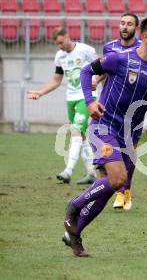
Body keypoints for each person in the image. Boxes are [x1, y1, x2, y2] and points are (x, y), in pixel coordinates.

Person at [62, 16, 147, 257]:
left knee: (108, 189)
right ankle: (74, 206)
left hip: (130, 137)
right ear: (146, 36)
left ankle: (74, 234)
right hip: (104, 127)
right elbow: (87, 72)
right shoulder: (119, 58)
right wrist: (89, 102)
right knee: (118, 181)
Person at [27, 27, 97, 185]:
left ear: (67, 36)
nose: (60, 46)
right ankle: (91, 171)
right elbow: (56, 80)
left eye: (61, 42)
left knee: (76, 131)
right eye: (57, 44)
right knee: (82, 135)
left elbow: (102, 67)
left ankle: (68, 171)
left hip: (86, 97)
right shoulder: (60, 56)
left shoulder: (85, 50)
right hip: (70, 98)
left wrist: (97, 81)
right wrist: (40, 92)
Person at [102, 12, 142, 211]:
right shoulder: (109, 47)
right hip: (111, 108)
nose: (125, 27)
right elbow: (105, 69)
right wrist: (96, 80)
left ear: (136, 27)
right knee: (111, 150)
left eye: (129, 24)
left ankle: (127, 190)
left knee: (130, 152)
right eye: (122, 23)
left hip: (134, 111)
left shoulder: (141, 49)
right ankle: (118, 192)